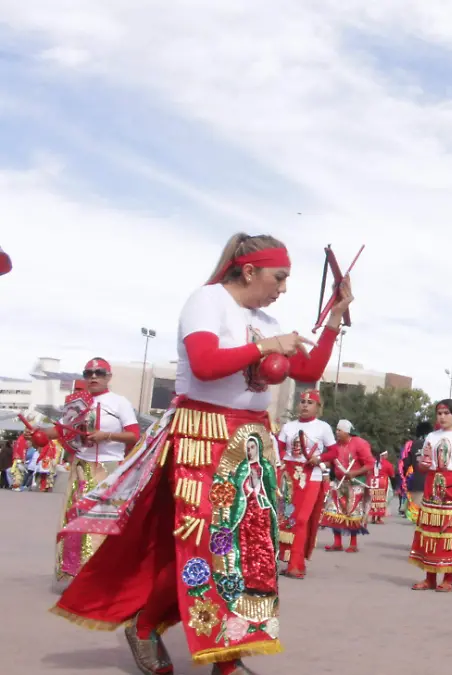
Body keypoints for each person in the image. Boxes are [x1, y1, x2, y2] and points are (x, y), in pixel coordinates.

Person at [54, 232, 350, 675]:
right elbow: (207, 363)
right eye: (279, 277)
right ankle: (146, 624)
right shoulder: (207, 301)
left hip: (251, 441)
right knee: (203, 546)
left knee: (250, 550)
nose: (283, 288)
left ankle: (227, 657)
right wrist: (267, 347)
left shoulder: (265, 320)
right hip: (201, 435)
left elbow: (305, 371)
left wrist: (333, 321)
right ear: (249, 270)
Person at [22, 359, 141, 581]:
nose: (93, 377)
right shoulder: (76, 403)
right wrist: (36, 432)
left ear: (108, 377)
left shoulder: (119, 402)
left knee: (103, 521)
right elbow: (60, 430)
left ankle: (102, 576)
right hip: (81, 467)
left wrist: (107, 435)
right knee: (75, 519)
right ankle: (75, 574)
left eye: (99, 373)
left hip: (109, 469)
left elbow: (134, 435)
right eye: (88, 373)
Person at [409, 399, 452, 592]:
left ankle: (448, 579)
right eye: (439, 413)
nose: (443, 417)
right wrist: (424, 463)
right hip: (432, 486)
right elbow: (422, 465)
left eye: (446, 413)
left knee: (450, 533)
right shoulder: (431, 436)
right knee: (429, 531)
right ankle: (429, 578)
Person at [276, 389, 336, 578]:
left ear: (318, 407)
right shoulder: (288, 426)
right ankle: (294, 562)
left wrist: (319, 458)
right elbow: (278, 449)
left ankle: (295, 564)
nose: (305, 405)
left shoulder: (322, 427)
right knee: (285, 519)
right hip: (288, 477)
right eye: (302, 401)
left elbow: (333, 452)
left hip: (311, 476)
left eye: (310, 403)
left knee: (301, 520)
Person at [318, 420, 373, 552]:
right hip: (338, 483)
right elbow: (331, 462)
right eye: (336, 430)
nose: (336, 432)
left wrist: (355, 473)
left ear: (347, 432)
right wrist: (320, 464)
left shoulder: (360, 444)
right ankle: (337, 543)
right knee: (334, 511)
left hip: (355, 485)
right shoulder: (335, 446)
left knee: (353, 513)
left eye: (339, 430)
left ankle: (353, 544)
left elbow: (370, 464)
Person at [403, 421, 432, 522]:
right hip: (430, 480)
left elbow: (406, 463)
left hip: (416, 480)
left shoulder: (413, 445)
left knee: (416, 511)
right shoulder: (432, 444)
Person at [367, 447, 395, 525]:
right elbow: (392, 475)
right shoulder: (387, 464)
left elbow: (368, 471)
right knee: (381, 500)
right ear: (383, 455)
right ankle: (378, 518)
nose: (387, 456)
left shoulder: (372, 462)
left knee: (373, 499)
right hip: (382, 482)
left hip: (372, 481)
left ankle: (373, 518)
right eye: (386, 454)